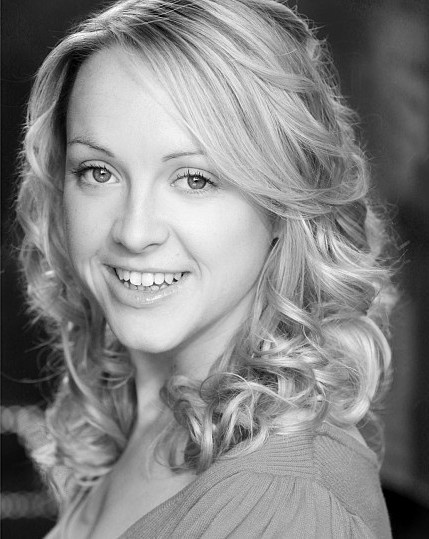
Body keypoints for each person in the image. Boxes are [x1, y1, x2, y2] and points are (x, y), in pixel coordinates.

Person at [16, 0, 395, 537]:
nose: (134, 232)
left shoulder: (283, 506)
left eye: (195, 179)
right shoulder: (144, 414)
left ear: (283, 205)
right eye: (98, 171)